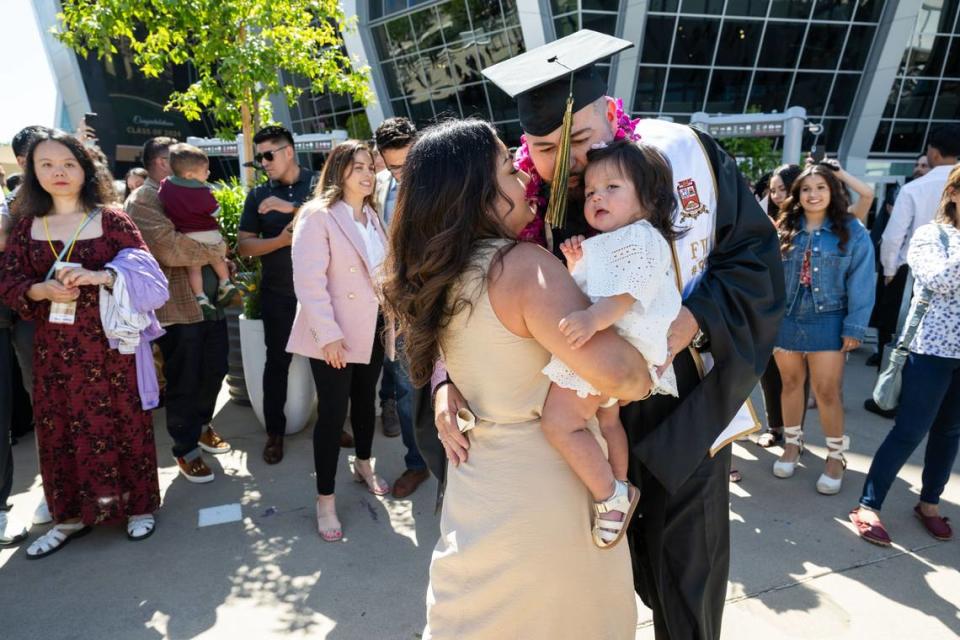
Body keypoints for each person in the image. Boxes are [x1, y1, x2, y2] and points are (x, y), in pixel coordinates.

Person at [423, 31, 784, 639]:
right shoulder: (513, 206)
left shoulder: (673, 162)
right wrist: (442, 378)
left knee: (685, 581)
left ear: (610, 119)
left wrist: (692, 320)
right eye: (543, 147)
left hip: (680, 409)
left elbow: (753, 260)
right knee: (588, 587)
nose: (572, 163)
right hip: (565, 428)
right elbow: (451, 294)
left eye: (585, 141)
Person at [386, 118, 647, 638]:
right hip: (546, 499)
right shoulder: (524, 267)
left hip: (477, 493)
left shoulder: (435, 274)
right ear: (478, 194)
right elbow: (625, 378)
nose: (525, 179)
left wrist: (444, 386)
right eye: (509, 168)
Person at [0, 130, 164, 557]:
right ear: (32, 172)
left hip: (112, 346)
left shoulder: (111, 219)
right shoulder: (26, 228)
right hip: (54, 352)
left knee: (124, 423)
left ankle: (137, 507)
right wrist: (40, 291)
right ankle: (69, 517)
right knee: (60, 432)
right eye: (47, 165)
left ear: (86, 169)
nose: (58, 172)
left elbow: (146, 273)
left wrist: (101, 276)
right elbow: (9, 282)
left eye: (68, 164)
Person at [540, 140, 682, 548]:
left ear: (649, 198)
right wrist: (576, 264)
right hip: (623, 348)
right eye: (590, 192)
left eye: (612, 188)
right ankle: (620, 486)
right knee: (607, 421)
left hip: (613, 342)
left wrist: (590, 320)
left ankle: (610, 496)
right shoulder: (614, 240)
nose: (597, 196)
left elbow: (626, 294)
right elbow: (594, 284)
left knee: (560, 422)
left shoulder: (638, 237)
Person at [286, 140, 393, 542]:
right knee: (332, 413)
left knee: (366, 402)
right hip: (336, 334)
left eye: (371, 166)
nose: (367, 174)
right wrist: (327, 335)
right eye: (357, 167)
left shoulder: (373, 216)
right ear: (338, 171)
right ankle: (325, 498)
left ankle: (364, 463)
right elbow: (309, 283)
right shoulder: (318, 216)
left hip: (375, 328)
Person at [850, 165, 960, 546]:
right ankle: (868, 504)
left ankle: (929, 503)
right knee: (910, 430)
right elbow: (940, 280)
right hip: (930, 350)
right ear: (954, 194)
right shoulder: (933, 236)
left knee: (949, 433)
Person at [126, 136, 232, 483]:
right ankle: (186, 449)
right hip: (176, 308)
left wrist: (214, 244)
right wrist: (214, 249)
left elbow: (218, 233)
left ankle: (202, 425)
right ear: (162, 163)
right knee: (185, 378)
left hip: (211, 303)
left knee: (215, 368)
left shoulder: (191, 191)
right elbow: (170, 249)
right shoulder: (145, 198)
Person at [771, 164, 875, 494]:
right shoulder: (784, 229)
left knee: (827, 391)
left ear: (832, 192)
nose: (813, 194)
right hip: (786, 318)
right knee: (789, 383)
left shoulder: (851, 230)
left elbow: (862, 281)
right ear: (797, 195)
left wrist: (854, 326)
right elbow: (768, 279)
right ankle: (792, 444)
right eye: (806, 188)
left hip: (829, 318)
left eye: (821, 187)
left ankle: (835, 456)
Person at [237, 125, 321, 464]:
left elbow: (335, 215)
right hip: (279, 295)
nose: (264, 163)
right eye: (259, 158)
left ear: (289, 151)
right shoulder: (257, 196)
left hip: (319, 293)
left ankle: (331, 425)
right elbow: (244, 246)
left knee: (328, 362)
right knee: (277, 364)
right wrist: (280, 241)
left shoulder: (318, 184)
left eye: (268, 155)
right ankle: (275, 432)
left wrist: (294, 210)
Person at [870, 125, 959, 418]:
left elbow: (895, 235)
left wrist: (889, 269)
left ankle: (889, 397)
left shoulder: (914, 187)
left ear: (933, 151)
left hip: (912, 272)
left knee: (900, 337)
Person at [372, 117, 430, 498]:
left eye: (408, 164)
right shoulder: (374, 187)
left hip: (444, 296)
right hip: (400, 304)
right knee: (407, 388)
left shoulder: (442, 178)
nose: (402, 174)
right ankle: (417, 463)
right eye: (394, 167)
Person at [157, 143, 237, 316]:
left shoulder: (166, 186)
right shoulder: (203, 191)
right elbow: (216, 211)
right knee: (217, 258)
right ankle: (226, 282)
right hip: (209, 233)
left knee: (194, 268)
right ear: (189, 174)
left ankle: (200, 297)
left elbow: (161, 198)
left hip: (187, 235)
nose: (208, 174)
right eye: (205, 171)